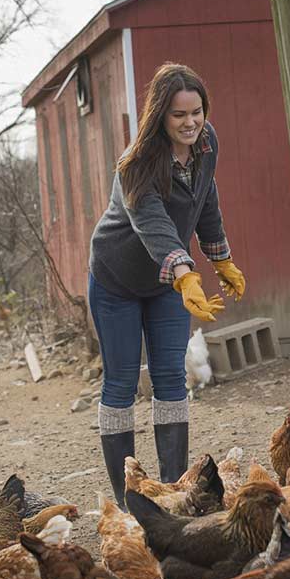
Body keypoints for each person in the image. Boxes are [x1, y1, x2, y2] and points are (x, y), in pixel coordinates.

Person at [88, 63, 247, 507]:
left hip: (167, 283)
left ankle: (172, 493)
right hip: (117, 279)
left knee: (171, 381)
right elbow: (153, 224)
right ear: (160, 116)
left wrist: (221, 257)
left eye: (197, 111)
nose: (191, 122)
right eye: (180, 115)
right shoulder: (135, 165)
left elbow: (204, 197)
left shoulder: (207, 143)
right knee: (120, 384)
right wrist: (185, 272)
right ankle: (130, 501)